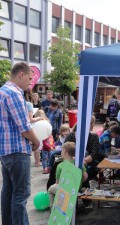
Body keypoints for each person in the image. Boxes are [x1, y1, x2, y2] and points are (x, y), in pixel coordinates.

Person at [0, 62, 40, 225]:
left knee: (8, 192)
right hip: (17, 150)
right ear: (21, 75)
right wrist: (36, 141)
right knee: (21, 195)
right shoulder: (14, 93)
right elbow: (24, 127)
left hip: (5, 151)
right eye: (29, 79)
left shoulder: (2, 91)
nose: (30, 83)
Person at [48, 142, 88, 208]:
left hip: (64, 189)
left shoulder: (60, 166)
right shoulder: (79, 164)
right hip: (76, 187)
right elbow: (85, 176)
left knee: (50, 190)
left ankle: (53, 208)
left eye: (61, 151)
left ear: (65, 152)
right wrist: (79, 182)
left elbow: (57, 182)